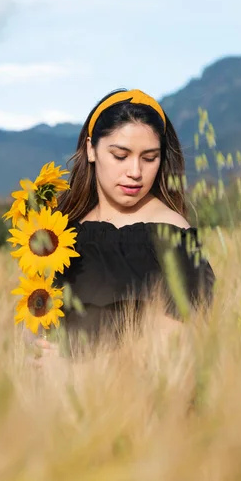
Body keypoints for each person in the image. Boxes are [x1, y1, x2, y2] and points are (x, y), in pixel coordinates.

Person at [30, 88, 215, 361]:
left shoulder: (170, 234)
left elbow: (175, 347)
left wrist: (76, 372)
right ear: (90, 150)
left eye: (149, 158)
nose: (135, 172)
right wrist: (35, 348)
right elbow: (34, 316)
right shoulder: (60, 230)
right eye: (120, 155)